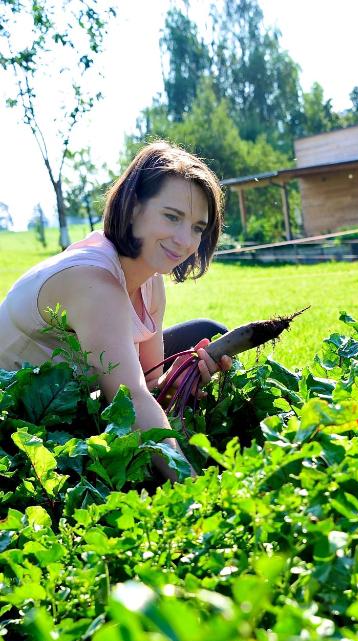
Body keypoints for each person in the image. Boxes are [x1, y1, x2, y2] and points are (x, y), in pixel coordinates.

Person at [0, 141, 232, 481]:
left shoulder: (150, 280)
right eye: (172, 217)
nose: (185, 240)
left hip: (74, 399)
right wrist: (195, 489)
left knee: (208, 331)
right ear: (135, 208)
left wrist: (185, 376)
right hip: (20, 425)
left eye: (198, 227)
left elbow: (150, 381)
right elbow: (132, 400)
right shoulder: (95, 284)